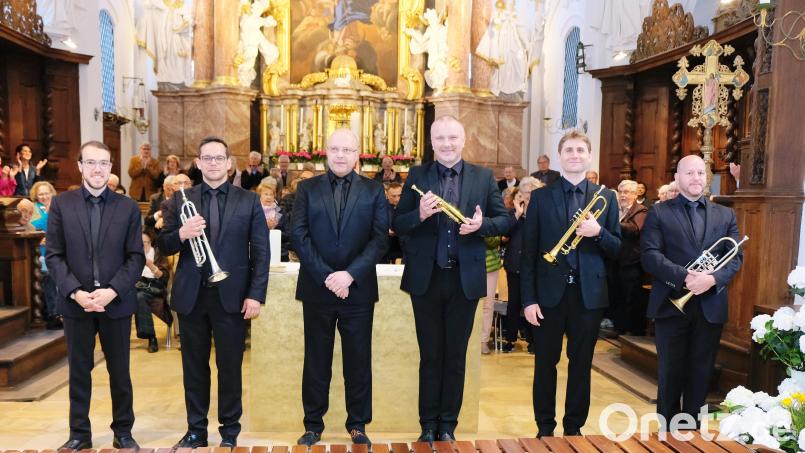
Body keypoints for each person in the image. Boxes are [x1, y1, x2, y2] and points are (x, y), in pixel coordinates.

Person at [393, 115, 513, 441]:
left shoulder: (483, 177)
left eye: (452, 138)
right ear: (432, 143)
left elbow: (505, 221)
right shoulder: (418, 175)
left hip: (465, 280)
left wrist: (481, 225)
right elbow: (398, 222)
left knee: (456, 356)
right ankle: (427, 425)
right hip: (426, 280)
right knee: (430, 356)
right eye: (441, 138)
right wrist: (419, 214)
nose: (447, 144)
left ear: (463, 140)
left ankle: (448, 426)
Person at [159, 136, 269, 448]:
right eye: (207, 158)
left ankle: (229, 431)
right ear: (198, 163)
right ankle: (196, 430)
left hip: (232, 296)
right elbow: (162, 244)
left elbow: (260, 252)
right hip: (192, 295)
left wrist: (255, 294)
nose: (213, 163)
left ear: (229, 162)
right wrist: (181, 233)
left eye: (219, 158)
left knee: (230, 366)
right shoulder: (181, 198)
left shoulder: (247, 200)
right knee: (194, 367)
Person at [520, 130, 621, 437]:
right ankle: (544, 428)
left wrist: (598, 233)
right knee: (545, 365)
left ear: (588, 156)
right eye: (569, 150)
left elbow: (617, 247)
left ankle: (573, 428)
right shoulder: (540, 197)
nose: (575, 155)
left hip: (588, 296)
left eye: (580, 150)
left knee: (581, 365)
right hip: (548, 296)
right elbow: (529, 254)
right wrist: (528, 299)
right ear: (560, 156)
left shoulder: (606, 198)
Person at [291, 129, 388, 447]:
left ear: (358, 153)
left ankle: (358, 424)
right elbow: (299, 236)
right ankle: (313, 424)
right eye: (335, 149)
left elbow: (379, 239)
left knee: (358, 359)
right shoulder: (306, 188)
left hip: (357, 289)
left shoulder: (374, 190)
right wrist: (327, 276)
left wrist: (350, 275)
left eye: (347, 149)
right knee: (316, 359)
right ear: (325, 151)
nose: (341, 155)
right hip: (317, 289)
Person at [45, 140, 144, 450]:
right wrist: (76, 292)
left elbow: (135, 257)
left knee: (120, 371)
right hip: (77, 305)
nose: (97, 169)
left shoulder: (127, 207)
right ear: (80, 166)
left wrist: (112, 291)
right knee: (78, 370)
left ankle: (123, 432)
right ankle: (79, 434)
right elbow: (54, 256)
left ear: (111, 167)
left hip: (115, 303)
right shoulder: (62, 204)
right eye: (91, 162)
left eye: (103, 163)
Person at [641, 154, 744, 428]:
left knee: (700, 375)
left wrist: (711, 280)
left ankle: (692, 436)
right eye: (690, 173)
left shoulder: (726, 213)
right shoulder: (659, 211)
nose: (696, 178)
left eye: (701, 173)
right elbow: (650, 255)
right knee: (670, 375)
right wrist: (685, 276)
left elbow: (735, 257)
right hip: (671, 302)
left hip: (710, 305)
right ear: (677, 177)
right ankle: (668, 437)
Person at [502, 177, 543, 353]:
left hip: (535, 267)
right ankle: (510, 339)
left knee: (533, 303)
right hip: (514, 264)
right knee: (514, 303)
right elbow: (504, 234)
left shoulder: (542, 213)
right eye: (526, 193)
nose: (528, 196)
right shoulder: (513, 213)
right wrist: (517, 214)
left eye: (532, 193)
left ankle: (533, 340)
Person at [613, 180, 649, 335]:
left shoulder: (641, 211)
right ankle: (620, 328)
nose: (623, 195)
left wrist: (612, 223)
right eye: (621, 192)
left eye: (627, 192)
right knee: (618, 295)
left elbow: (634, 229)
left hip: (632, 261)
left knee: (632, 297)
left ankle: (635, 331)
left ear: (635, 195)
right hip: (616, 260)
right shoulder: (615, 210)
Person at [135, 231, 170, 353]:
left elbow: (164, 276)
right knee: (138, 296)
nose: (143, 245)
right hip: (138, 287)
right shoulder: (134, 254)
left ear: (151, 242)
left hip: (155, 286)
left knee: (138, 297)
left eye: (145, 242)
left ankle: (151, 338)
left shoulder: (158, 253)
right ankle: (151, 337)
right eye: (140, 242)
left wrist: (150, 265)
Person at [382, 182, 404, 264]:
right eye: (393, 196)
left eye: (399, 195)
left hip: (403, 245)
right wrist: (385, 230)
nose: (397, 199)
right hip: (386, 244)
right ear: (387, 195)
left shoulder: (407, 207)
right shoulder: (380, 207)